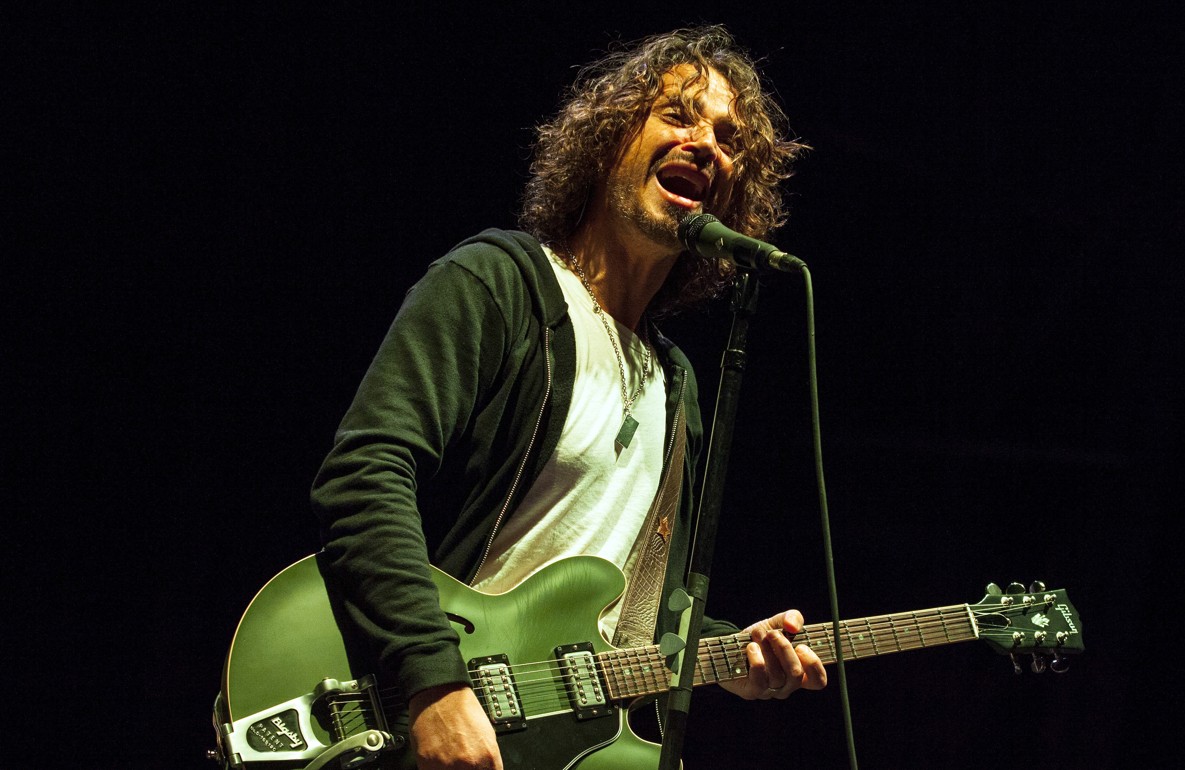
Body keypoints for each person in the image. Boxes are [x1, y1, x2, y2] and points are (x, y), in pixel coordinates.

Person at [310, 25, 826, 769]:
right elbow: (362, 477)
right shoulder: (499, 284)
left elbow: (638, 618)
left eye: (727, 138)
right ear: (610, 137)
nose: (706, 144)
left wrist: (725, 655)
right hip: (427, 724)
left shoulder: (676, 388)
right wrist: (433, 684)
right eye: (678, 115)